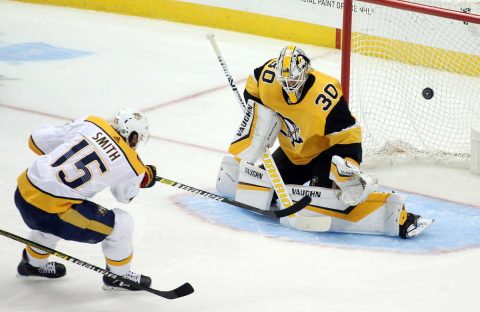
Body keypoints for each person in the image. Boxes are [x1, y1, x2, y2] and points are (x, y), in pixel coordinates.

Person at [216, 45, 433, 238]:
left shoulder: (325, 96)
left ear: (304, 73)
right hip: (294, 153)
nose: (288, 85)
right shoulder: (269, 77)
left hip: (325, 153)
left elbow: (350, 135)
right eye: (285, 81)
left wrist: (349, 164)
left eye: (293, 80)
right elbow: (253, 84)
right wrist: (256, 110)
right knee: (263, 188)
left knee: (321, 200)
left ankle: (393, 212)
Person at [14, 107, 157, 290]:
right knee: (122, 223)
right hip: (53, 212)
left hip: (24, 191)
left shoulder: (92, 122)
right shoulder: (133, 164)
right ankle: (118, 277)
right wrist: (142, 179)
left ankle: (33, 263)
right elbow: (124, 196)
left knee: (59, 213)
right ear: (135, 137)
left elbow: (35, 141)